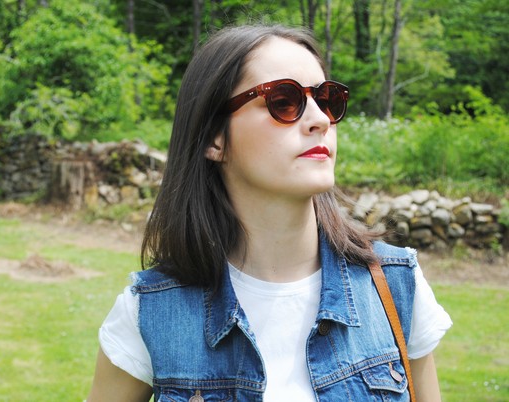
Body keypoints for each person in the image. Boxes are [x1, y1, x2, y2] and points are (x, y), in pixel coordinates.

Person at [87, 24, 452, 402]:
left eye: (327, 99)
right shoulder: (150, 313)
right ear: (214, 137)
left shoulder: (396, 287)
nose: (320, 119)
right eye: (284, 100)